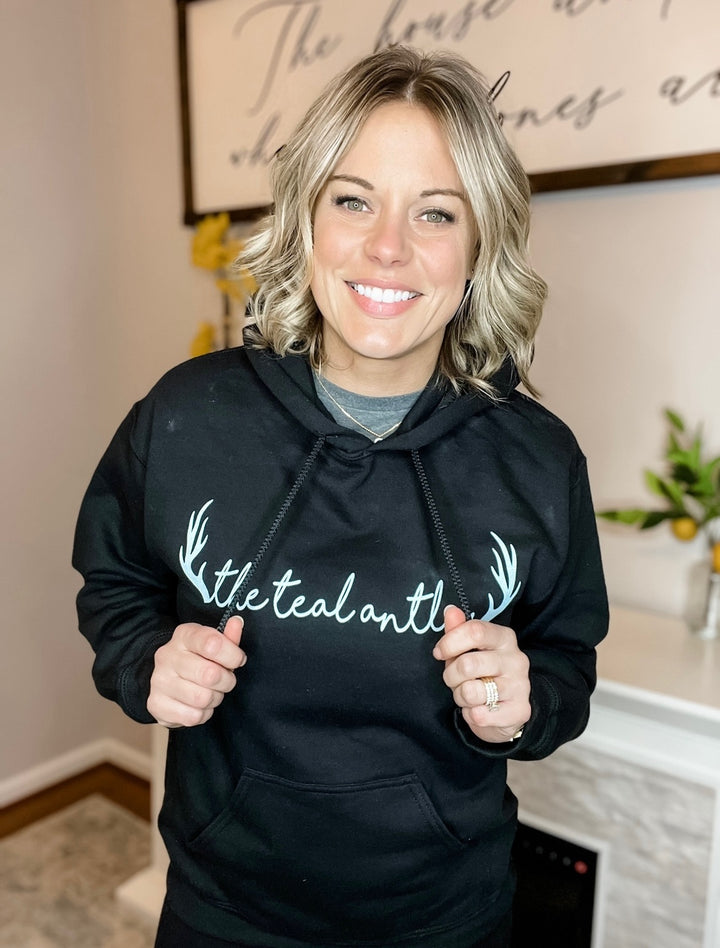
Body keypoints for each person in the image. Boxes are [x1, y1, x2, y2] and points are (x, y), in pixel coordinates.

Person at [73, 45, 608, 948]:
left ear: (479, 247)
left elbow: (566, 661)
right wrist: (146, 663)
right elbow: (116, 585)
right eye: (354, 200)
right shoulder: (187, 417)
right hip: (223, 913)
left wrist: (529, 701)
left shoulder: (538, 459)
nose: (387, 246)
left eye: (435, 212)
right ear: (306, 219)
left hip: (446, 920)